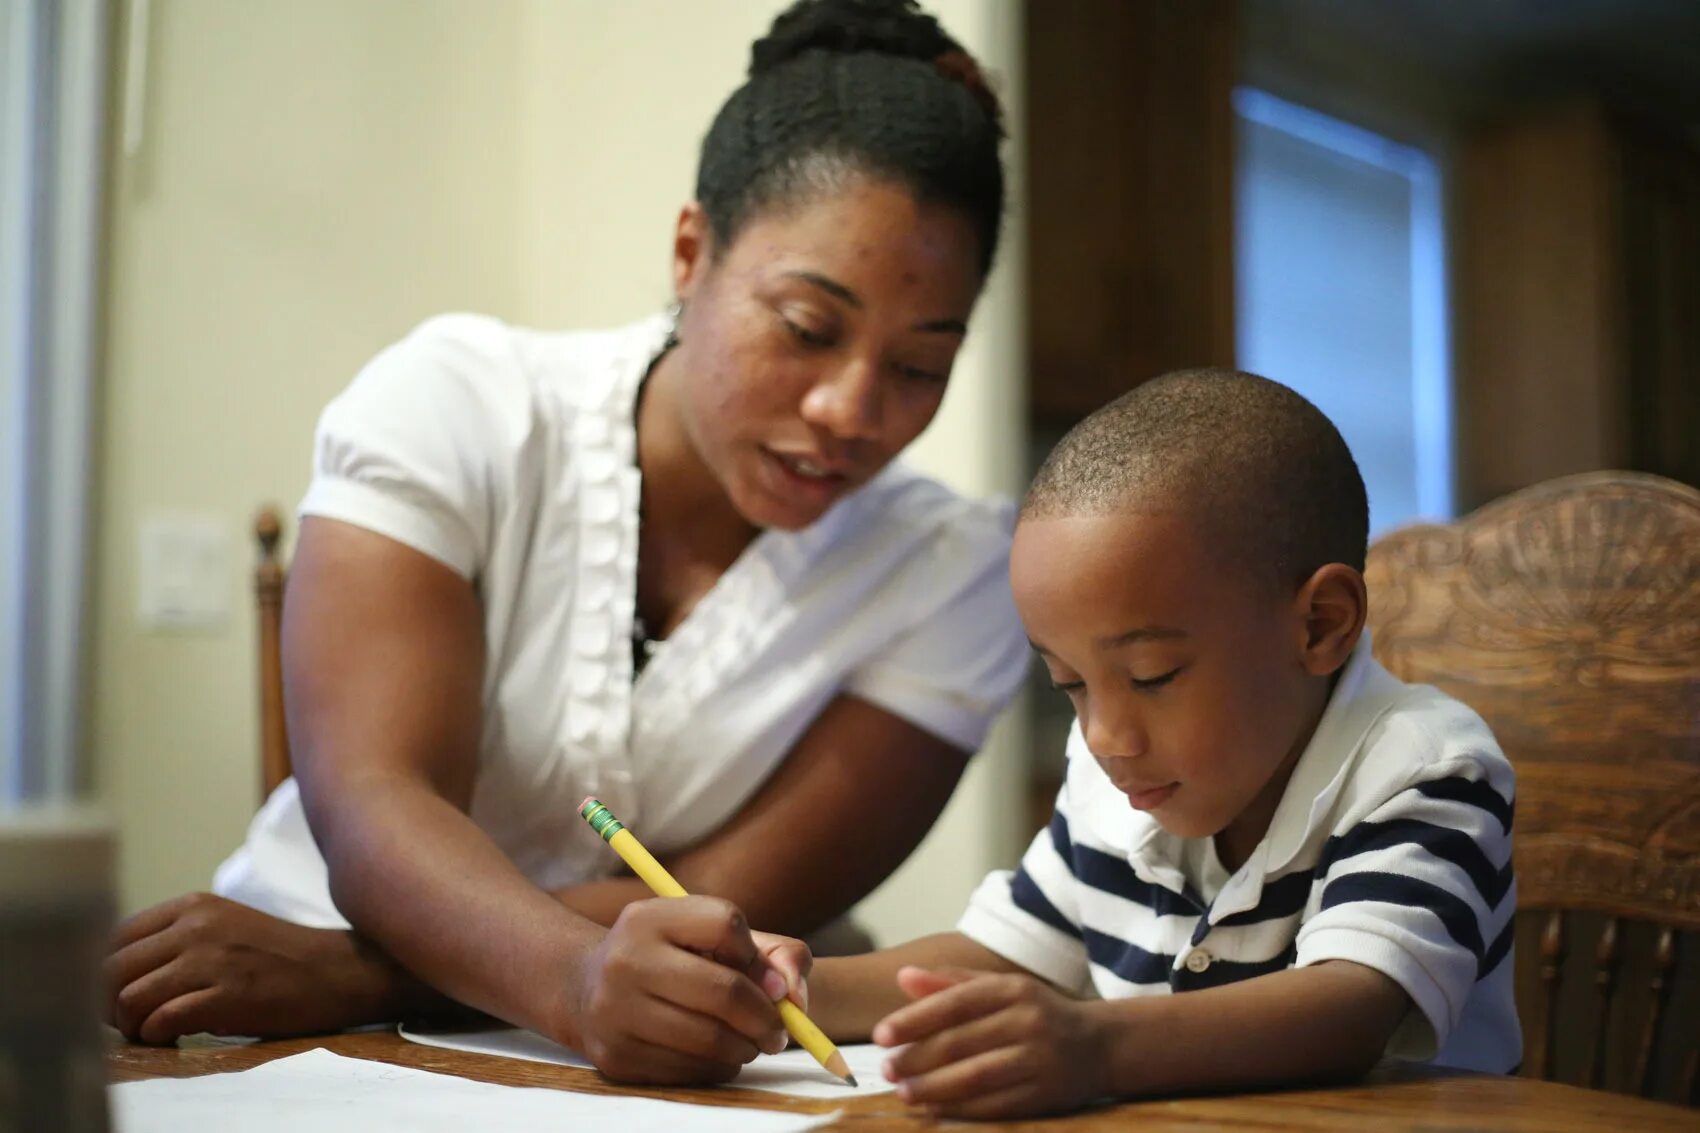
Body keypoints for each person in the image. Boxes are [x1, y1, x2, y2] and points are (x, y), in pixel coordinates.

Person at [103, 0, 1028, 1086]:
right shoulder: (458, 404)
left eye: (919, 366)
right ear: (691, 250)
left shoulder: (955, 573)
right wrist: (570, 977)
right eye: (806, 326)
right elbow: (377, 799)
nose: (849, 408)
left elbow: (728, 897)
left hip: (495, 1020)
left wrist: (366, 972)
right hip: (264, 1023)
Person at [783, 370, 1520, 1119]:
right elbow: (1008, 954)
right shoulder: (1118, 778)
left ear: (1320, 624)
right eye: (1069, 684)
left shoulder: (1424, 766)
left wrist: (1094, 1045)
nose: (1104, 736)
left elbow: (1348, 1005)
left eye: (1152, 675)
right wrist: (784, 986)